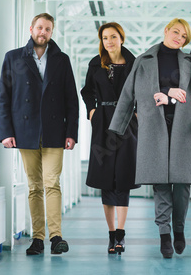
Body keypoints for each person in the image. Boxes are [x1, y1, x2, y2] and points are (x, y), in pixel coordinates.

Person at [109, 18, 191, 259]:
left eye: (184, 36)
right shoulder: (144, 61)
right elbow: (131, 93)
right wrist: (117, 127)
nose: (179, 38)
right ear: (166, 30)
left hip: (183, 129)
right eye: (176, 32)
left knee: (182, 186)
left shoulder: (190, 62)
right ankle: (164, 235)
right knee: (161, 185)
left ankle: (179, 230)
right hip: (154, 127)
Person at [0, 13, 79, 256]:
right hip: (25, 131)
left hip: (55, 131)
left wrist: (71, 132)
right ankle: (38, 238)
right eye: (40, 28)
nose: (43, 32)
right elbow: (4, 97)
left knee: (52, 183)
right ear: (31, 28)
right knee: (34, 187)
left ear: (52, 32)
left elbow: (71, 99)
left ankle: (56, 237)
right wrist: (6, 133)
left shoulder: (61, 60)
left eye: (48, 29)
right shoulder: (13, 58)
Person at [80, 22, 138, 255]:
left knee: (123, 176)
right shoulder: (96, 63)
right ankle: (111, 235)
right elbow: (87, 91)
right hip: (102, 121)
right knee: (106, 178)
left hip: (127, 123)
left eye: (113, 37)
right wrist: (92, 111)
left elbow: (142, 90)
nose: (109, 41)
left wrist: (137, 112)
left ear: (121, 38)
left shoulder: (134, 64)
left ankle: (121, 236)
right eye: (105, 38)